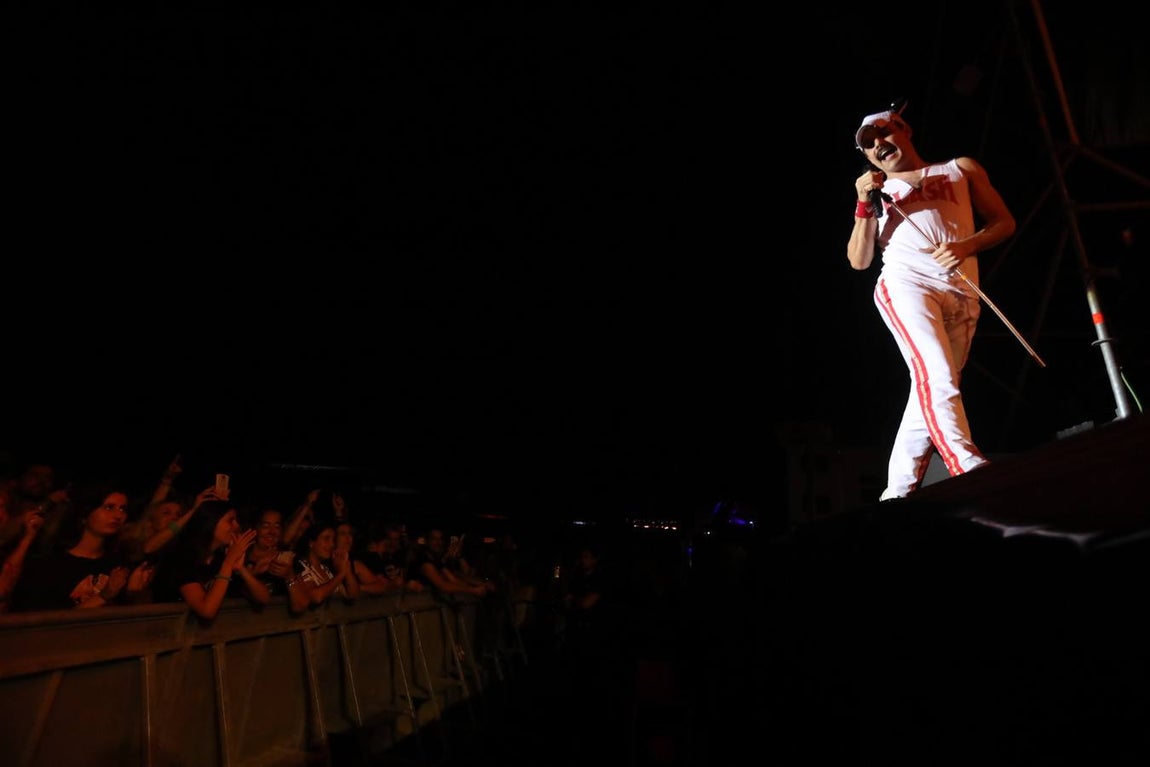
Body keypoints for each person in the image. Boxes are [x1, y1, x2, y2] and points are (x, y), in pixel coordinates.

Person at [847, 105, 1016, 501]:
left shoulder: (960, 168)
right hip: (907, 285)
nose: (878, 147)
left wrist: (966, 245)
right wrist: (861, 204)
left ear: (903, 129)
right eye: (868, 146)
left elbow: (1004, 222)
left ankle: (897, 492)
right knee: (937, 376)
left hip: (962, 291)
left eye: (883, 134)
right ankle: (967, 466)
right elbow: (858, 261)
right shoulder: (878, 193)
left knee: (932, 389)